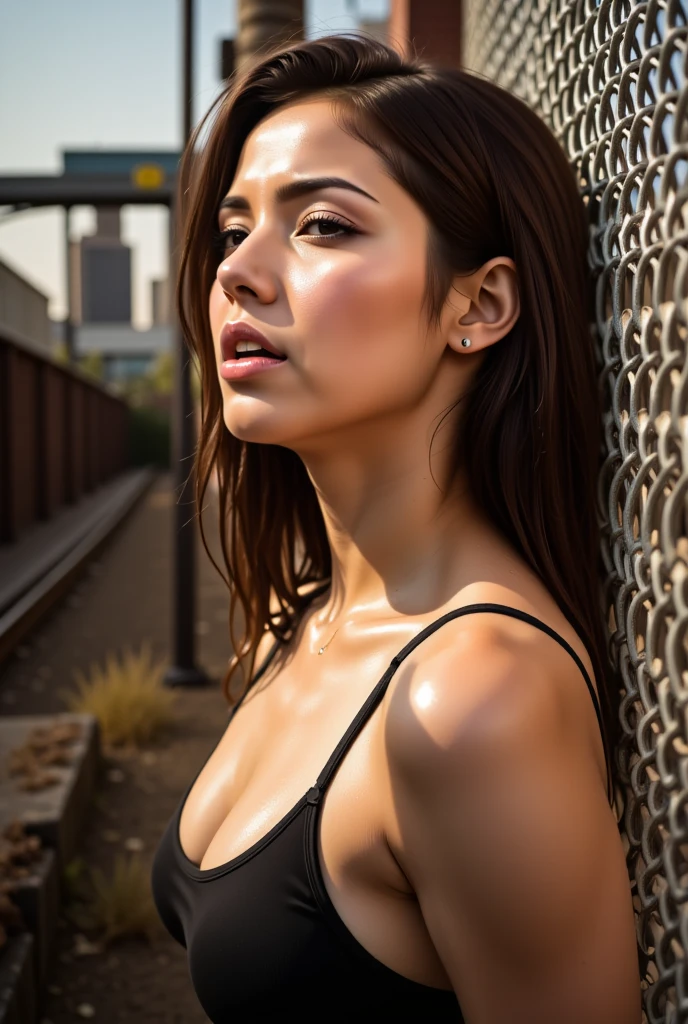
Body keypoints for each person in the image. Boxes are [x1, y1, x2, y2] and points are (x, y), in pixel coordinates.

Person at [151, 33, 641, 1023]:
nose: (237, 272)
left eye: (322, 226)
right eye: (233, 228)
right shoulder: (301, 617)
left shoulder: (474, 701)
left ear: (480, 304)